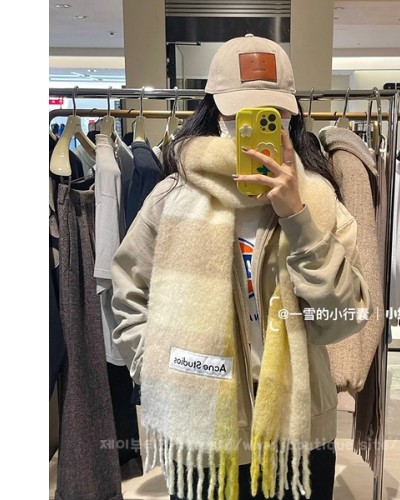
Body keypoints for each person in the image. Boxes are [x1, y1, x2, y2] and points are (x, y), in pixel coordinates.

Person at [111, 34, 372, 500]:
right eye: (239, 114)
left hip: (298, 438)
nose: (255, 127)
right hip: (201, 429)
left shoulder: (321, 203)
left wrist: (298, 217)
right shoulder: (171, 199)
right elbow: (128, 291)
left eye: (273, 114)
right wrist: (154, 364)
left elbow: (342, 318)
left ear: (291, 116)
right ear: (215, 112)